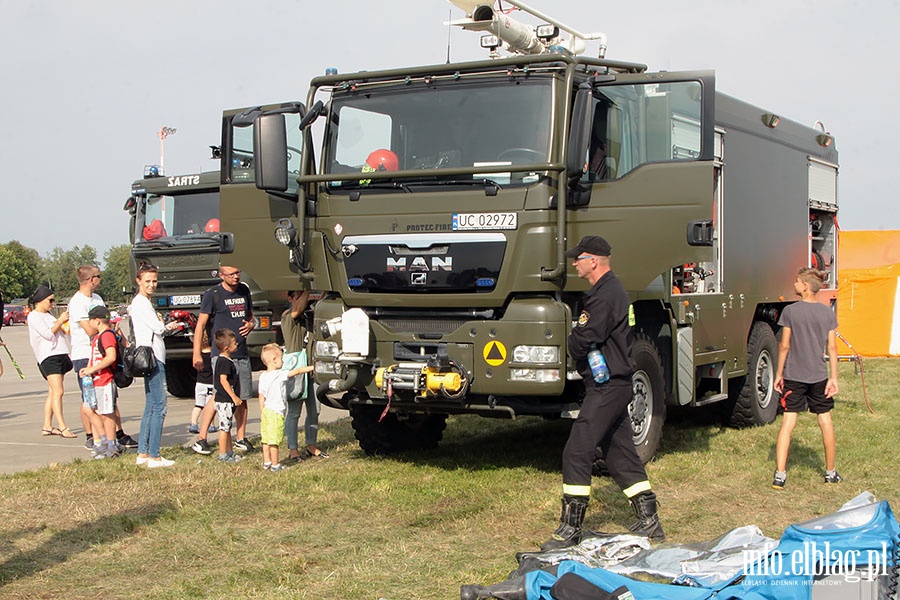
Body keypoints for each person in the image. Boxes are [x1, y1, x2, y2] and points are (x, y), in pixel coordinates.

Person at [542, 236, 664, 551]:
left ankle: (571, 527)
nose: (573, 263)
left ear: (594, 260)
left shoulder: (605, 295)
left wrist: (573, 339)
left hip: (608, 385)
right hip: (614, 383)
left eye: (578, 258)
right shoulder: (609, 291)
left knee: (577, 449)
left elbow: (585, 337)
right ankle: (649, 520)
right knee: (619, 453)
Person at [772, 267, 841, 490]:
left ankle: (780, 476)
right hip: (819, 376)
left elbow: (784, 346)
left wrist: (779, 373)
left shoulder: (791, 312)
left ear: (805, 286)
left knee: (788, 422)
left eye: (796, 281)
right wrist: (834, 378)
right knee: (825, 421)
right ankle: (830, 473)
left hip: (794, 376)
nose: (794, 284)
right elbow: (832, 347)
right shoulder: (827, 313)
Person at [68, 265, 138, 451]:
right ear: (91, 279)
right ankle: (92, 436)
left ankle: (117, 434)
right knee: (89, 400)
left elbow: (104, 324)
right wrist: (105, 328)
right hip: (85, 355)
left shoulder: (97, 299)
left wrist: (117, 334)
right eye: (98, 276)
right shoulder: (77, 302)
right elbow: (90, 330)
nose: (100, 279)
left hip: (105, 352)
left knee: (110, 397)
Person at [190, 266, 255, 455]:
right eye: (231, 274)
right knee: (218, 395)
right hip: (221, 355)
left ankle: (241, 438)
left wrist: (252, 325)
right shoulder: (213, 294)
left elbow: (251, 317)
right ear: (221, 275)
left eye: (238, 273)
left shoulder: (244, 290)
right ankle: (202, 438)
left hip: (241, 351)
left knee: (242, 397)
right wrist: (196, 353)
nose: (235, 277)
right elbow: (201, 325)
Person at [130, 262, 180, 468]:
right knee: (159, 406)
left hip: (147, 356)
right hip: (153, 357)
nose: (152, 285)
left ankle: (143, 452)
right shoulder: (141, 303)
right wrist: (170, 325)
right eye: (148, 281)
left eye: (155, 281)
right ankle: (154, 455)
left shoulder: (139, 303)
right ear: (138, 281)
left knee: (150, 405)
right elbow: (158, 329)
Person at [282, 290, 328, 461]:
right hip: (297, 371)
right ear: (290, 298)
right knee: (294, 412)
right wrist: (307, 290)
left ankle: (311, 445)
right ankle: (293, 449)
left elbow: (321, 302)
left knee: (314, 410)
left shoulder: (310, 316)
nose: (304, 299)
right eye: (298, 295)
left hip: (313, 370)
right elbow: (297, 309)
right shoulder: (288, 316)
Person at [26, 284, 77, 438]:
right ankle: (62, 426)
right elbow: (47, 334)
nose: (52, 304)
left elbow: (58, 330)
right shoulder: (34, 316)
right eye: (50, 300)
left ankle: (47, 426)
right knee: (59, 391)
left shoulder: (49, 315)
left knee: (52, 392)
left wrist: (64, 325)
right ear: (40, 300)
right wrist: (60, 321)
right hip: (48, 357)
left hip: (60, 354)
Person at [258, 343, 314, 471]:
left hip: (266, 411)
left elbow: (261, 396)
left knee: (266, 439)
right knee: (275, 440)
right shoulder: (279, 374)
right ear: (274, 360)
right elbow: (298, 371)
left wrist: (262, 411)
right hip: (276, 412)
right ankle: (275, 464)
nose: (283, 362)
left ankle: (266, 461)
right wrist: (313, 367)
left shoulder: (263, 376)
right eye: (282, 359)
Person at [79, 305, 121, 459]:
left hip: (105, 380)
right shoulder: (97, 337)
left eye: (90, 320)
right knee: (89, 410)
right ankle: (101, 442)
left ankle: (110, 444)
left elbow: (111, 357)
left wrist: (93, 369)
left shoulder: (107, 335)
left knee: (106, 414)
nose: (88, 324)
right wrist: (87, 369)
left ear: (96, 321)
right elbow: (94, 357)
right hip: (95, 381)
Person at [212, 328, 243, 463]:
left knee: (228, 427)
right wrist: (233, 396)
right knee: (224, 428)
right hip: (225, 400)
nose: (237, 344)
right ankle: (222, 454)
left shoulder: (227, 360)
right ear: (226, 348)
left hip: (227, 401)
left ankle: (230, 452)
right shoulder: (224, 362)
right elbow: (223, 380)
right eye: (234, 343)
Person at [189, 329, 214, 435]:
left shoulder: (198, 355)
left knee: (198, 405)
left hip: (199, 384)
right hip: (210, 384)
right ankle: (211, 425)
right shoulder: (212, 356)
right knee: (210, 406)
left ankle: (193, 423)